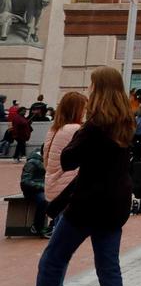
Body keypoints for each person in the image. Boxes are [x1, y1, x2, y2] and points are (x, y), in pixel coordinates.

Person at [33, 67, 134, 286]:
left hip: (87, 205)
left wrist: (78, 136)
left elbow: (68, 160)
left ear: (98, 90)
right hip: (115, 204)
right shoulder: (126, 124)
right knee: (109, 268)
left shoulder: (94, 127)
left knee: (52, 260)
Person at [44, 91, 87, 220]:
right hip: (68, 187)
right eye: (84, 108)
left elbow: (46, 159)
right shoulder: (75, 129)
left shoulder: (54, 129)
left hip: (53, 184)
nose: (86, 112)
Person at [21, 149, 49, 236]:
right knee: (44, 200)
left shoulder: (46, 160)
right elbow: (25, 181)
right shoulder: (32, 162)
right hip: (31, 190)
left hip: (43, 189)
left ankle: (54, 225)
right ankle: (37, 227)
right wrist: (42, 186)